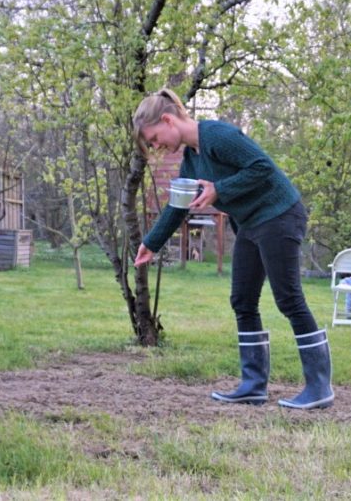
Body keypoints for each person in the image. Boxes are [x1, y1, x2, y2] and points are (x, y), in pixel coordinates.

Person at [132, 88, 333, 409]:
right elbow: (178, 205)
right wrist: (150, 242)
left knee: (289, 299)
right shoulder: (192, 158)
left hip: (279, 215)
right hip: (252, 224)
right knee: (242, 300)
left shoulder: (217, 135)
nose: (156, 146)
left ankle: (319, 387)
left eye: (154, 138)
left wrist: (219, 190)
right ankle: (253, 385)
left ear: (168, 120)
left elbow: (262, 168)